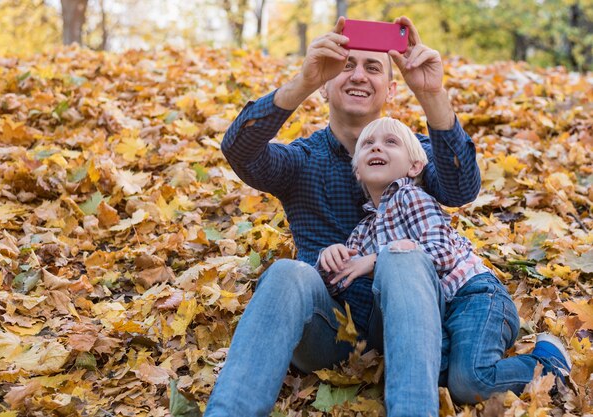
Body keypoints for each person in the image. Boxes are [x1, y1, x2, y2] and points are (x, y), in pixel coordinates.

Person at [205, 16, 570, 417]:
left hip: (414, 330)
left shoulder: (409, 156)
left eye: (373, 67)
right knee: (285, 273)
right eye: (346, 65)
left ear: (390, 89)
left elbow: (462, 187)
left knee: (402, 254)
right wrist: (302, 82)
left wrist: (431, 94)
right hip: (331, 336)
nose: (358, 75)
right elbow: (239, 150)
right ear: (326, 85)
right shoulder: (300, 161)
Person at [317, 116, 572, 415]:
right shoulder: (364, 230)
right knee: (436, 381)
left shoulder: (410, 197)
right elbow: (339, 281)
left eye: (390, 143)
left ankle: (548, 362)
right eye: (368, 145)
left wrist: (376, 259)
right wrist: (330, 258)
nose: (376, 148)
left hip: (473, 297)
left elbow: (442, 253)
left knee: (471, 381)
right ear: (357, 170)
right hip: (436, 314)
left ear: (414, 167)